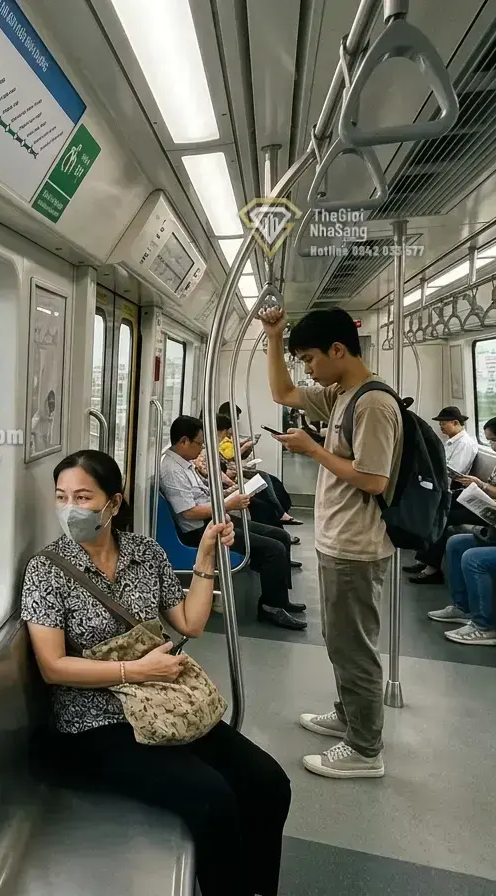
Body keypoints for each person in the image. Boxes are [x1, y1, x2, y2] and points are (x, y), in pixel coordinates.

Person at [22, 449, 291, 896]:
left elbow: (190, 622)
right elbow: (53, 667)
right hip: (95, 723)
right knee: (212, 797)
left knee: (268, 783)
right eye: (61, 496)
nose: (70, 508)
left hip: (161, 705)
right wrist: (135, 670)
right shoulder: (46, 570)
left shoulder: (145, 553)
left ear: (113, 502)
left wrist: (204, 558)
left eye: (83, 496)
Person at [262, 306, 398, 779]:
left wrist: (313, 450)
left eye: (309, 358)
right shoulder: (342, 392)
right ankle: (348, 715)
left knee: (353, 646)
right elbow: (282, 392)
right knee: (339, 640)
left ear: (339, 350)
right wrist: (274, 338)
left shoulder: (373, 404)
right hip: (338, 538)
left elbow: (374, 479)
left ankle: (365, 749)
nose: (307, 369)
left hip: (357, 545)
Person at [160, 415, 306, 630]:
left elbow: (202, 493)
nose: (201, 449)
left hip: (214, 518)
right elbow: (189, 513)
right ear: (184, 441)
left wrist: (227, 496)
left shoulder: (185, 464)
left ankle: (279, 600)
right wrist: (227, 505)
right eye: (199, 444)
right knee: (273, 548)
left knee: (280, 536)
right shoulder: (172, 470)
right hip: (201, 530)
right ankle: (270, 608)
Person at [407, 413, 496, 584]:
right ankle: (425, 560)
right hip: (487, 498)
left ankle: (432, 569)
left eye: (494, 440)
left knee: (444, 516)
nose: (492, 445)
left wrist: (482, 486)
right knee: (439, 506)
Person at [218, 402, 301, 525]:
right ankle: (279, 515)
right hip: (231, 474)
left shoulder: (226, 438)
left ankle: (281, 513)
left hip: (234, 470)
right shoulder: (211, 445)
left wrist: (246, 445)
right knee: (263, 483)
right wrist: (245, 446)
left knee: (273, 481)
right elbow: (229, 456)